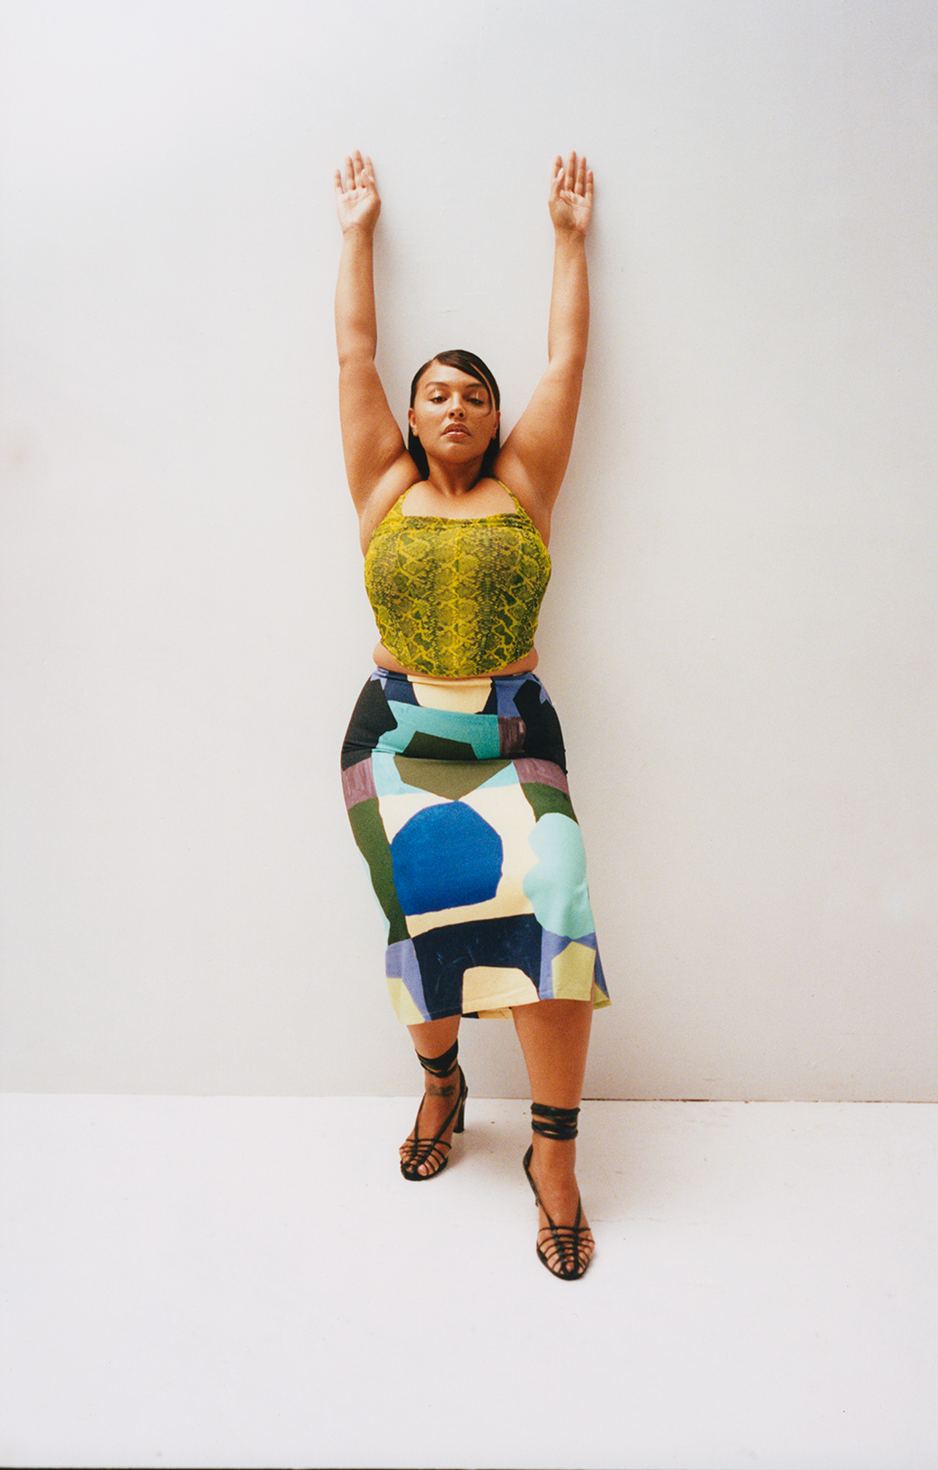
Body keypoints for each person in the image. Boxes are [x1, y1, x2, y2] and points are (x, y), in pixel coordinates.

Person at [334, 150, 608, 1280]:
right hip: (395, 738)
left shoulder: (525, 482)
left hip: (508, 731)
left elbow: (566, 358)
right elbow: (351, 350)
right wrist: (353, 233)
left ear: (495, 419)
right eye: (436, 392)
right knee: (427, 930)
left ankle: (551, 1156)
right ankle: (442, 1084)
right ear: (409, 414)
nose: (457, 405)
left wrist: (568, 240)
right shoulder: (380, 484)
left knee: (556, 904)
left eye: (474, 394)